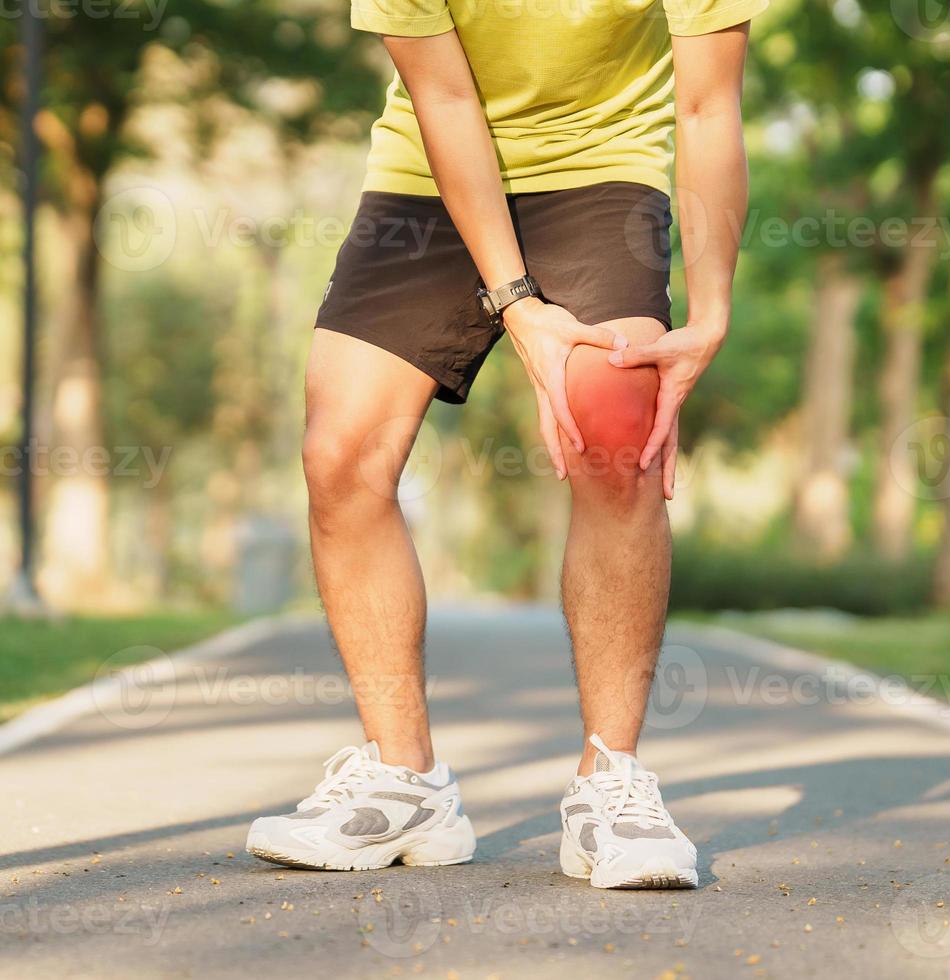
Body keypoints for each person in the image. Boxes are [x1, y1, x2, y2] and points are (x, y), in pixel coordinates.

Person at [246, 0, 767, 888]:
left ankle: (612, 783)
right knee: (340, 451)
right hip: (427, 177)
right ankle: (406, 779)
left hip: (602, 170)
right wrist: (516, 303)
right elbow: (445, 103)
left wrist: (712, 310)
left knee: (615, 428)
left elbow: (707, 108)